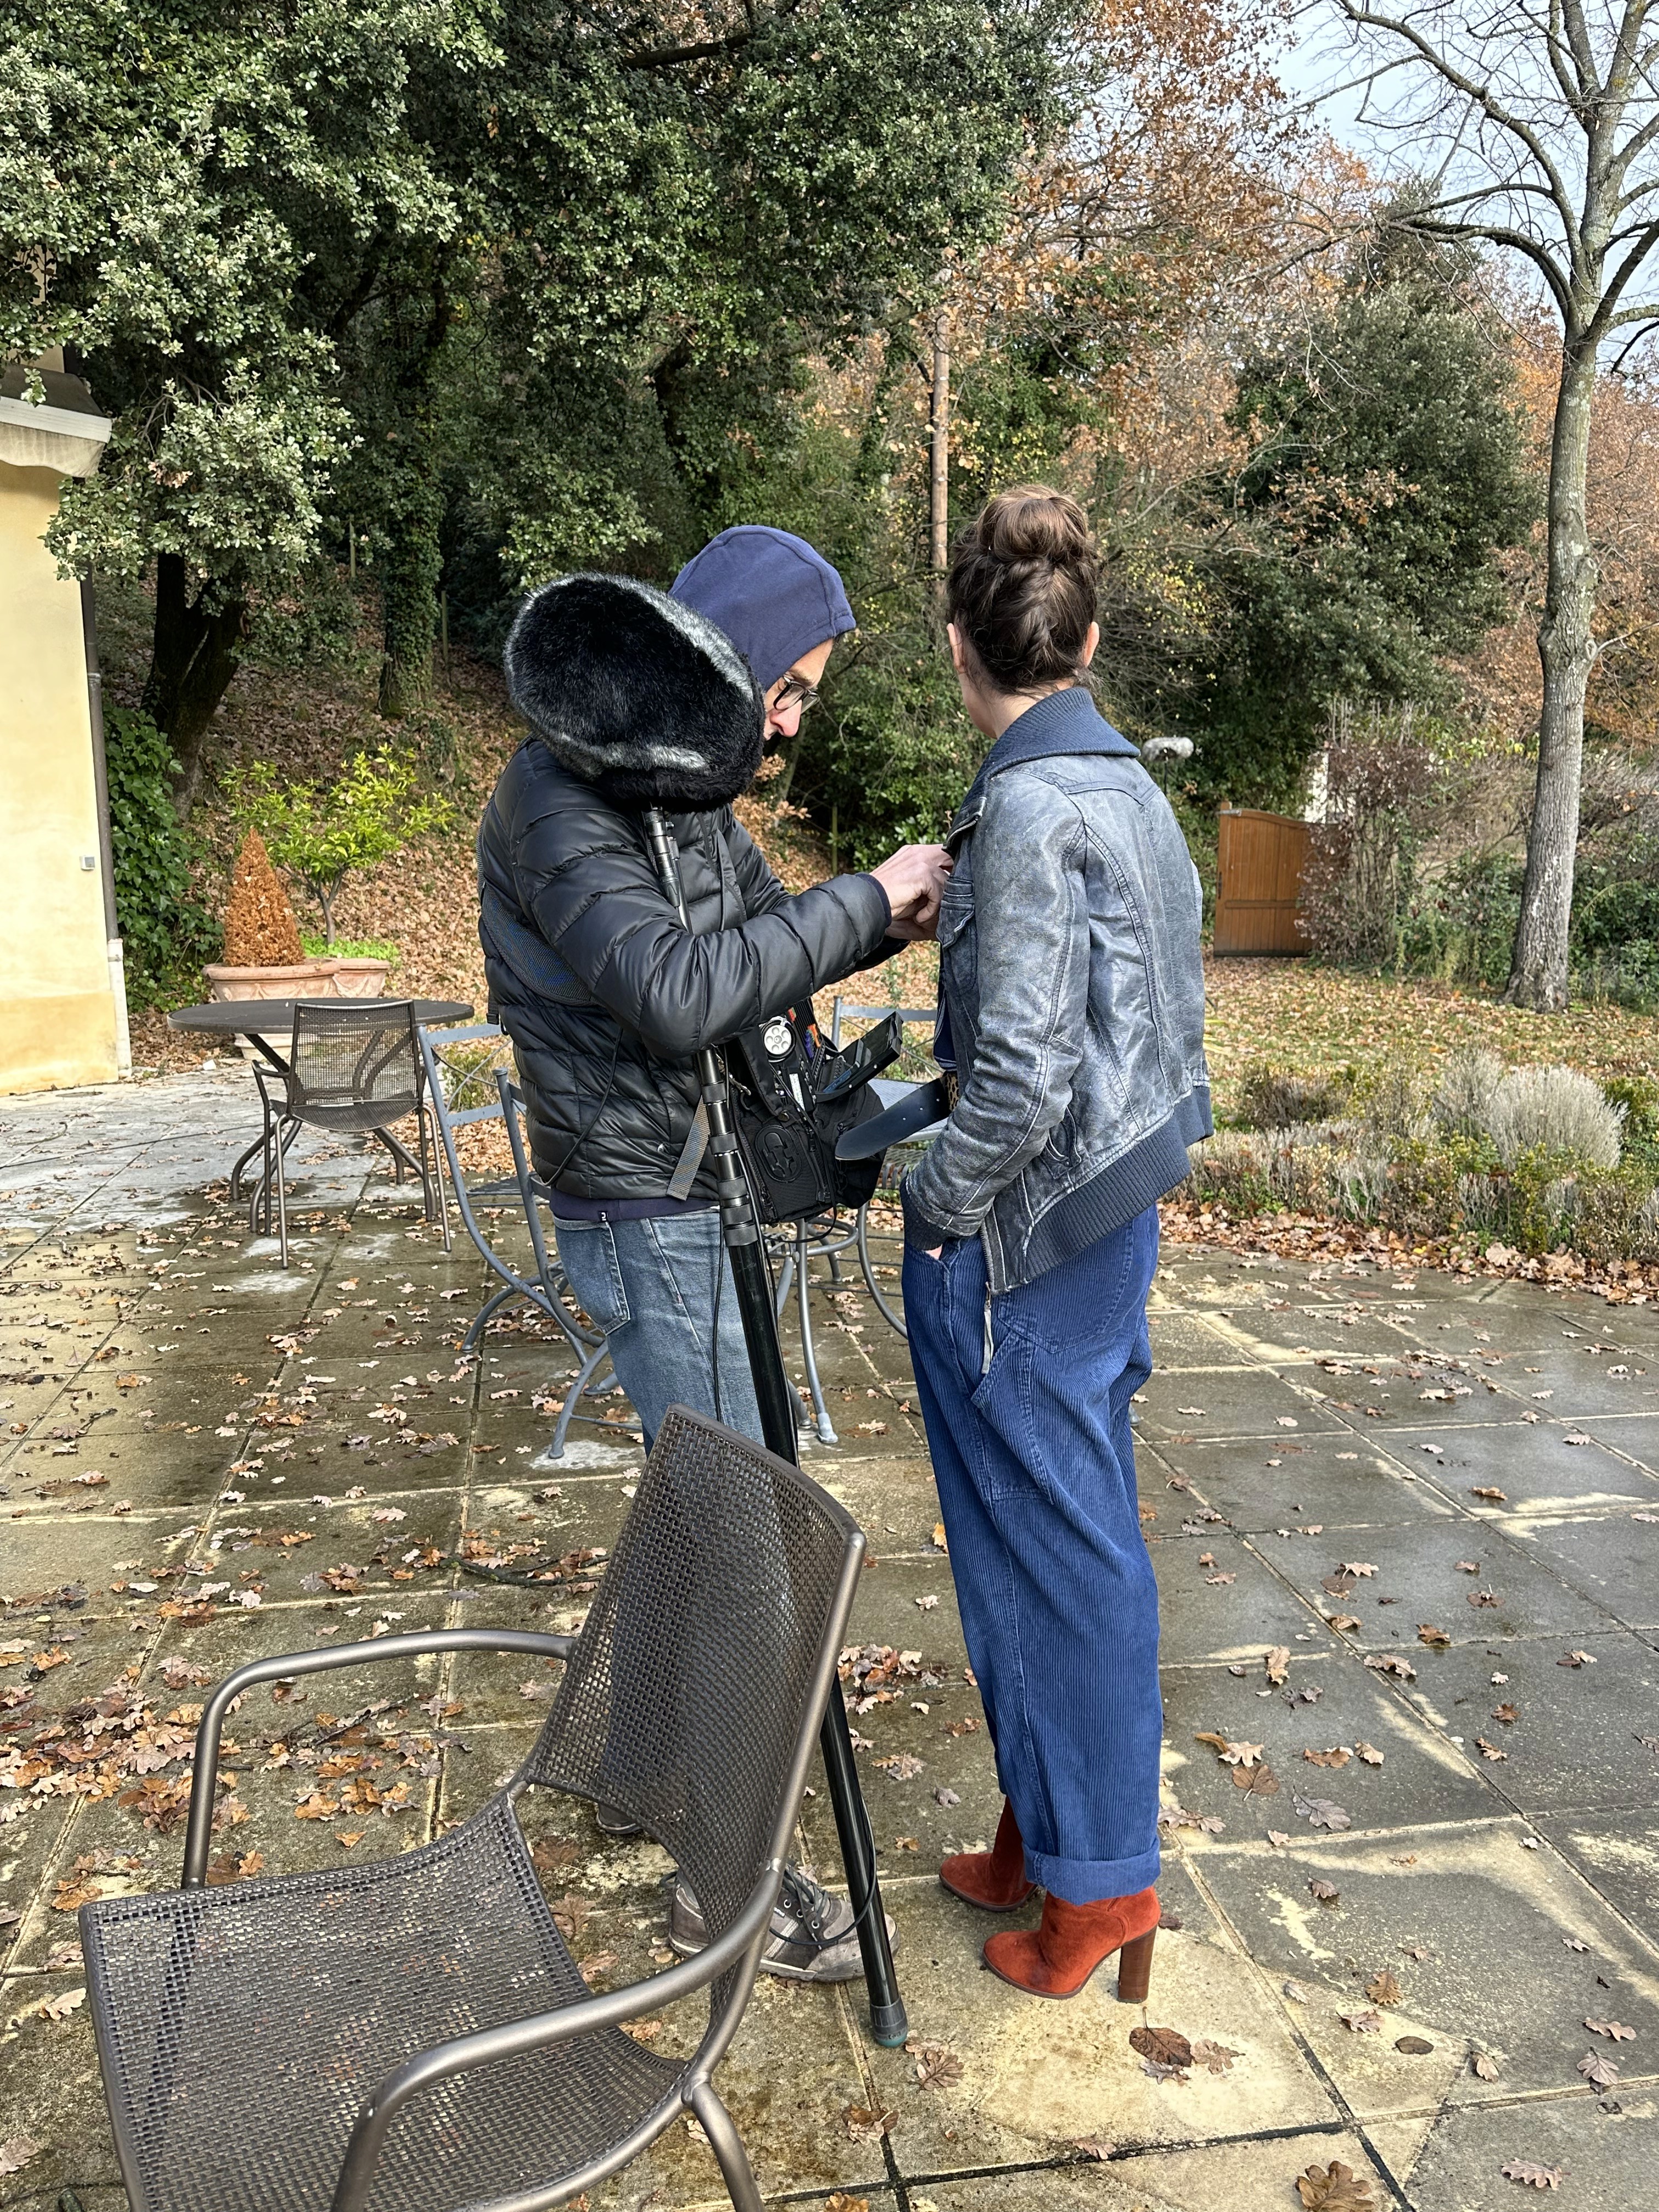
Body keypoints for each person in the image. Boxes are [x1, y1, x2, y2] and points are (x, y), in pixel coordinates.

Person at [476, 525, 949, 1981]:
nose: (797, 722)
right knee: (751, 1550)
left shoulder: (681, 793)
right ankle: (727, 1897)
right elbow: (680, 993)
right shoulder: (560, 798)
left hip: (696, 1194)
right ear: (730, 661)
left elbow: (756, 939)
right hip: (648, 1210)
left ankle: (629, 1769)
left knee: (695, 1505)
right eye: (793, 689)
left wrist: (880, 924)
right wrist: (865, 896)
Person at [898, 486, 1210, 2003]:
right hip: (1105, 1221)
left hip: (1020, 1243)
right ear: (1085, 646)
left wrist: (931, 1200)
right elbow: (1158, 1027)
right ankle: (1053, 1828)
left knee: (1062, 1548)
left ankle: (1103, 1887)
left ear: (964, 646)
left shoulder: (1024, 804)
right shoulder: (1132, 790)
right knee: (1043, 1535)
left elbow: (1017, 1078)